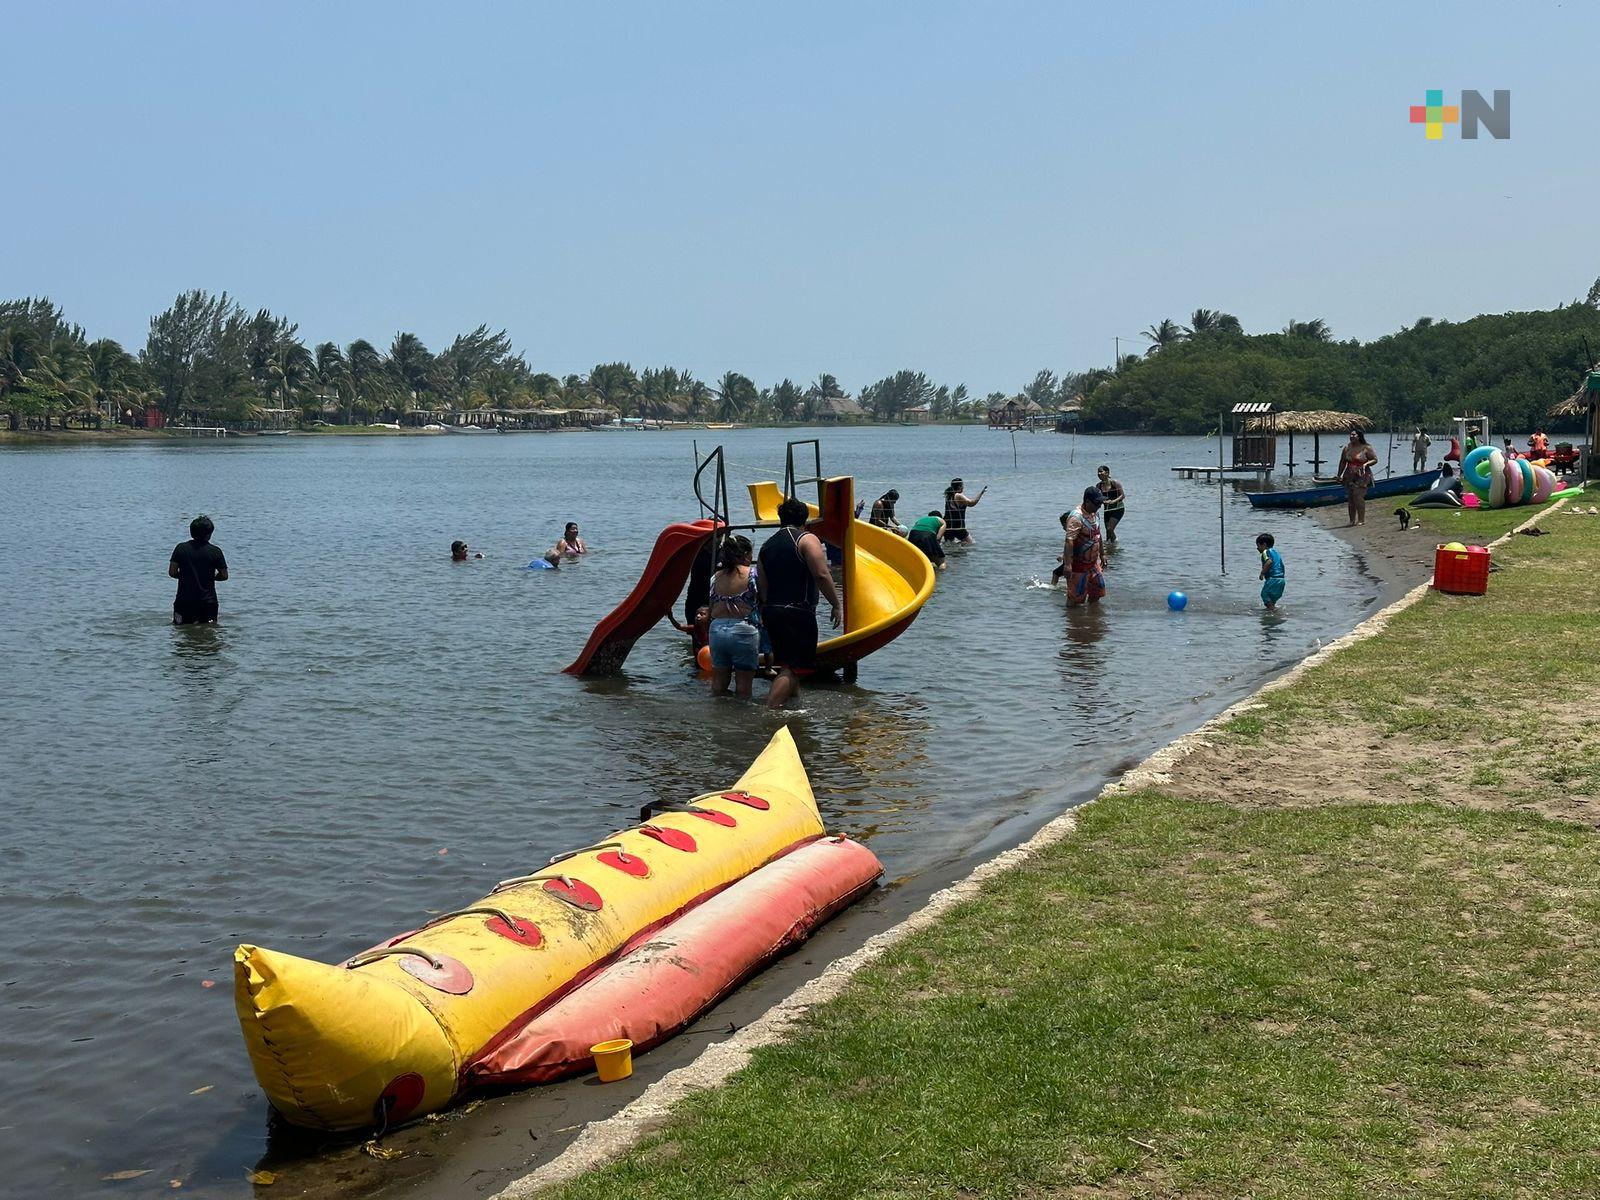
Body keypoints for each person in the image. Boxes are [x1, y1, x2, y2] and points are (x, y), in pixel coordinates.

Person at [757, 496, 841, 709]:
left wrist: (767, 610)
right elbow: (821, 574)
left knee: (788, 664)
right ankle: (771, 711)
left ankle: (793, 709)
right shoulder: (807, 539)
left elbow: (762, 585)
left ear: (780, 518)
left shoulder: (766, 545)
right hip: (797, 612)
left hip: (772, 611)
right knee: (794, 667)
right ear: (805, 519)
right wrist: (836, 604)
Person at [706, 535, 760, 699]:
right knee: (743, 685)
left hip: (717, 630)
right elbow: (763, 599)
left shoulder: (715, 577)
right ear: (745, 554)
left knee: (718, 683)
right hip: (744, 630)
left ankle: (717, 712)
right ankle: (741, 714)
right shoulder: (752, 574)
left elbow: (711, 605)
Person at [168, 515, 228, 625]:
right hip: (208, 601)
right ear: (209, 534)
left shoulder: (180, 548)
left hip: (184, 600)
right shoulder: (215, 551)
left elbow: (172, 572)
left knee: (181, 629)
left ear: (191, 532)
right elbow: (224, 575)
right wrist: (209, 577)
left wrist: (186, 576)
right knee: (209, 630)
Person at [1060, 488, 1106, 606]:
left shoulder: (1095, 514)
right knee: (1075, 598)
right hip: (1078, 566)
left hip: (1093, 564)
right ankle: (1072, 616)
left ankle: (1092, 616)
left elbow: (1098, 534)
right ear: (1087, 501)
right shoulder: (1076, 517)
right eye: (1097, 503)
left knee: (1097, 592)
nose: (1099, 506)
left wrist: (1102, 554)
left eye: (1100, 503)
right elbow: (1069, 541)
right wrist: (1067, 565)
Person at [1336, 427, 1377, 527]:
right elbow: (1342, 462)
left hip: (1362, 474)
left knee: (1358, 496)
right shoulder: (1347, 448)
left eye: (1353, 435)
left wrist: (1366, 464)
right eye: (1350, 435)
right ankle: (1352, 520)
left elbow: (1375, 459)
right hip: (1349, 475)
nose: (1351, 436)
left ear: (1359, 436)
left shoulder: (1366, 447)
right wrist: (1339, 475)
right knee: (1351, 498)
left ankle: (1361, 520)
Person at [942, 478, 986, 544]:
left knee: (949, 545)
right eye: (962, 485)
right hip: (958, 527)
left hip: (947, 526)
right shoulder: (958, 495)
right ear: (959, 486)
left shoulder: (949, 496)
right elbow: (972, 503)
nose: (963, 487)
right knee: (970, 543)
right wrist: (981, 493)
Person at [1095, 465, 1126, 543]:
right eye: (1098, 472)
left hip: (1118, 509)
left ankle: (1113, 544)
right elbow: (1098, 498)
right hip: (1107, 510)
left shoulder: (1114, 482)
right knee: (1108, 532)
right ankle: (1112, 546)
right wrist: (1102, 501)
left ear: (1107, 473)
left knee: (1110, 529)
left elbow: (1122, 495)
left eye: (1101, 471)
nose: (1099, 473)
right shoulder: (1098, 486)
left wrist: (1113, 501)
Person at [1257, 533, 1285, 610]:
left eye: (1258, 546)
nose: (1257, 548)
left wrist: (1262, 573)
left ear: (1264, 545)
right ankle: (1272, 610)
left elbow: (1269, 562)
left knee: (1264, 595)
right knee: (1271, 600)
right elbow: (1282, 565)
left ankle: (1273, 612)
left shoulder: (1265, 552)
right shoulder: (1276, 553)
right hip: (1281, 580)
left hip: (1273, 579)